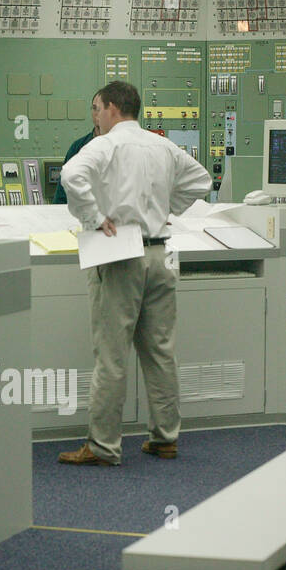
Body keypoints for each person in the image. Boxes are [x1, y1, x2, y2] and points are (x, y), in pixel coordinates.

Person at [57, 81, 212, 466]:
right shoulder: (162, 145)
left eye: (97, 108)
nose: (95, 117)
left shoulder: (104, 145)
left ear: (112, 108)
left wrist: (94, 218)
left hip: (119, 253)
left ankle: (104, 446)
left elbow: (70, 176)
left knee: (111, 355)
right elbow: (202, 181)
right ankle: (165, 438)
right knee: (160, 351)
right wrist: (166, 208)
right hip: (160, 253)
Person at [52, 106, 98, 204]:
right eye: (94, 108)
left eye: (101, 108)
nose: (97, 113)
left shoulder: (119, 147)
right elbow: (62, 191)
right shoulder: (78, 147)